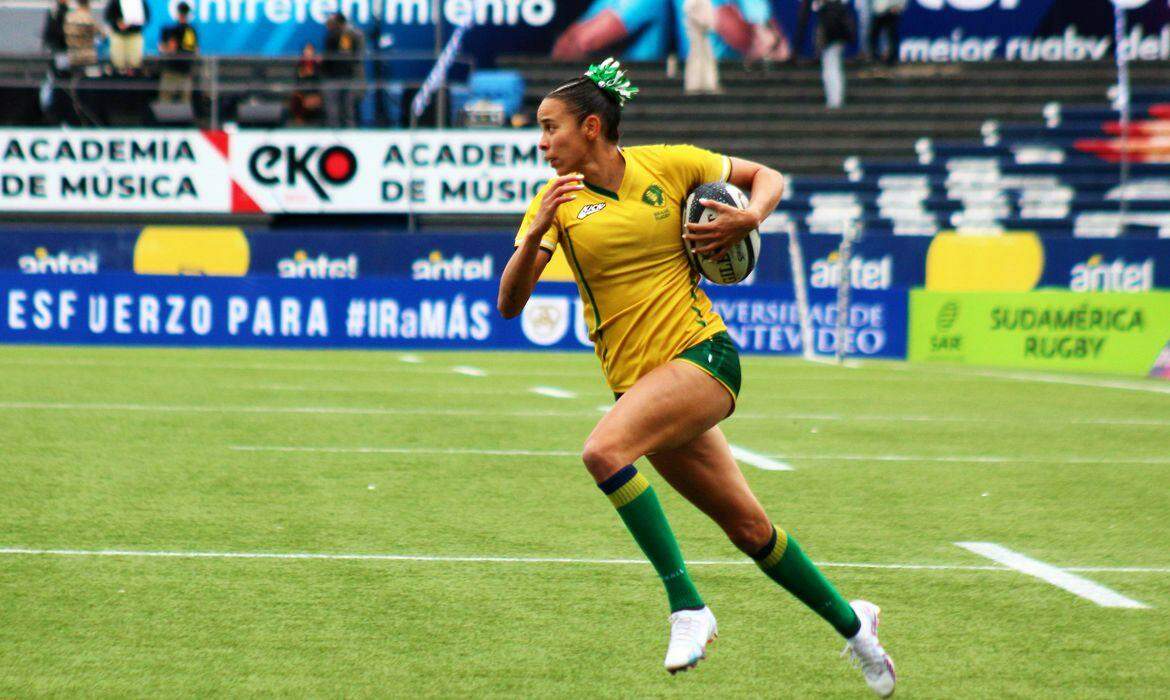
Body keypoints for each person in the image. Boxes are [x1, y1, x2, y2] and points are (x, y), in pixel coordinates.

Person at [497, 58, 896, 696]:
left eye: (551, 129)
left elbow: (767, 176)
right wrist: (536, 232)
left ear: (592, 127)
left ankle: (687, 607)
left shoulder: (669, 164)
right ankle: (857, 628)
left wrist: (750, 216)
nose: (541, 143)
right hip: (640, 386)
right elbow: (510, 304)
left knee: (603, 451)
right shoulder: (555, 207)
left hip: (703, 356)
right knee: (750, 531)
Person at [322, 13, 362, 128]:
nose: (328, 25)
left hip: (343, 75)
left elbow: (344, 56)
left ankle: (349, 133)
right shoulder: (331, 35)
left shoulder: (346, 35)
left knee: (346, 107)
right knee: (333, 109)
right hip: (332, 75)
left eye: (331, 22)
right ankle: (333, 132)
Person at [157, 2, 198, 105]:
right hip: (172, 71)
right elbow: (163, 48)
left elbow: (193, 50)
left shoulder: (189, 30)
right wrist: (169, 48)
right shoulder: (170, 30)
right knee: (166, 101)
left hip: (183, 71)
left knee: (183, 103)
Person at [816, 0, 854, 109]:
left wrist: (825, 41)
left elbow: (829, 27)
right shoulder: (837, 7)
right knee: (833, 70)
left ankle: (835, 101)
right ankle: (834, 100)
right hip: (835, 42)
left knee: (831, 71)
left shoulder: (829, 8)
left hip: (831, 42)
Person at [682, 0, 720, 94]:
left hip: (703, 32)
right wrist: (704, 23)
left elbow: (708, 13)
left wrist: (709, 24)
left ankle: (706, 83)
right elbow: (690, 10)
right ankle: (695, 84)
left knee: (706, 58)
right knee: (696, 58)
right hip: (696, 31)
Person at [103, 0, 149, 75]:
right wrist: (117, 23)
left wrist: (132, 23)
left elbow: (147, 17)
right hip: (118, 36)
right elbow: (108, 16)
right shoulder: (115, 2)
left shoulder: (140, 2)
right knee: (118, 63)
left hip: (134, 35)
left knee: (135, 63)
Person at [290, 43, 325, 126]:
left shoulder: (317, 64)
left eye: (309, 50)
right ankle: (299, 122)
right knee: (297, 97)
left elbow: (319, 79)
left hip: (315, 92)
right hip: (303, 92)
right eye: (306, 50)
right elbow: (297, 80)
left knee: (318, 99)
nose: (307, 52)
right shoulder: (299, 64)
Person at [64, 0, 101, 72]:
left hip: (72, 54)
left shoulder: (69, 17)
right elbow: (101, 33)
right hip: (87, 55)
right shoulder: (89, 18)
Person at [868, 0, 905, 66]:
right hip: (878, 10)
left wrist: (899, 6)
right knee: (874, 35)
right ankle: (875, 57)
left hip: (891, 10)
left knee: (891, 36)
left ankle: (892, 59)